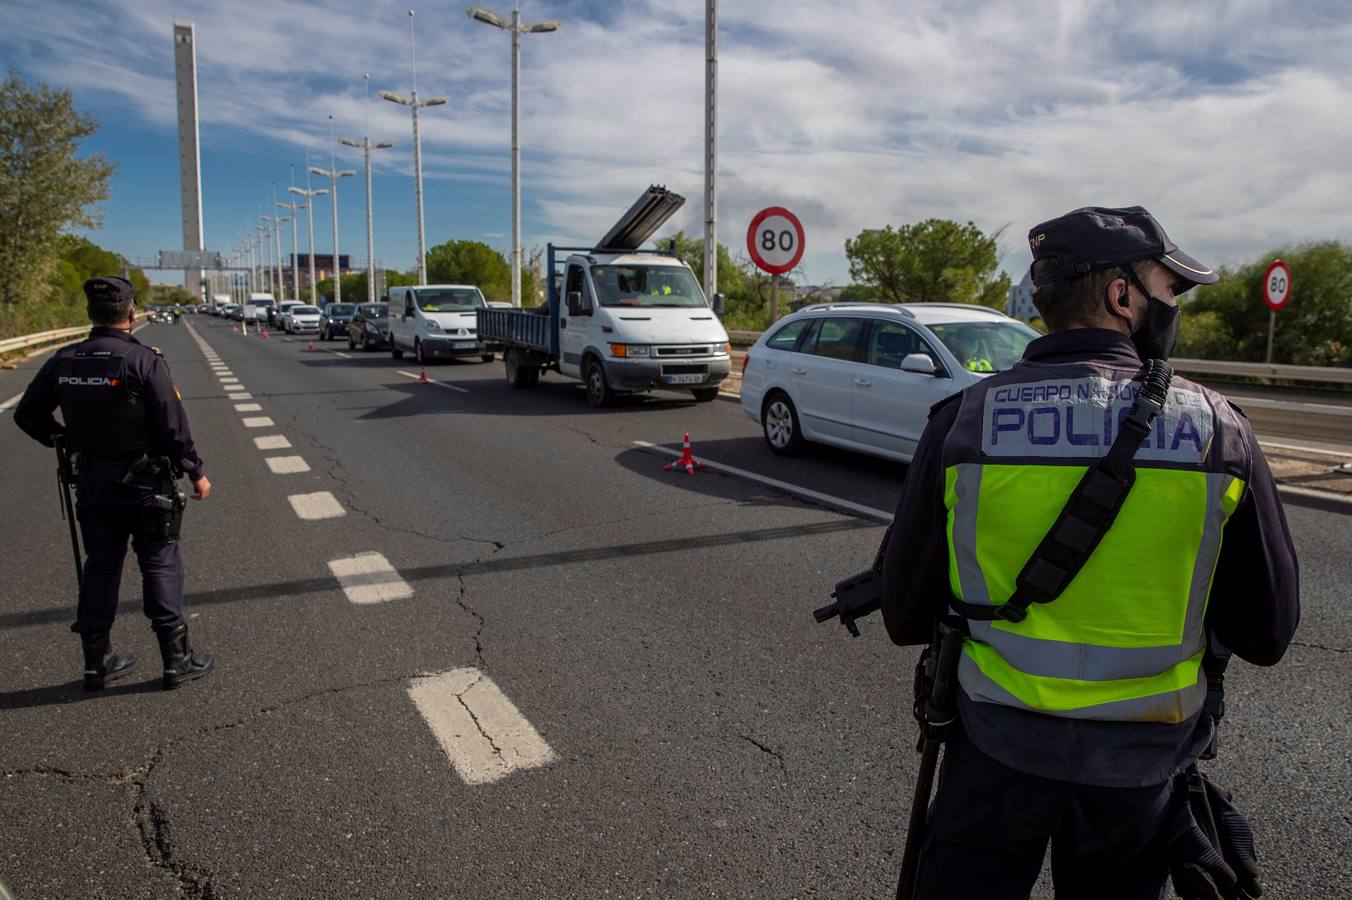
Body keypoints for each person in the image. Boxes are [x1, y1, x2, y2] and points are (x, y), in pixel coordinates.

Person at [879, 206, 1299, 899]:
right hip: (1139, 781)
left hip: (993, 759)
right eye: (1169, 291)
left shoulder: (964, 421)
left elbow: (902, 616)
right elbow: (1269, 632)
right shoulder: (1218, 431)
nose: (1172, 307)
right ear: (1120, 295)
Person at [14, 276, 215, 691]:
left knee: (100, 566)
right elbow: (173, 424)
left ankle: (96, 662)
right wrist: (195, 470)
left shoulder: (64, 361)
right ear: (132, 312)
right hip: (147, 486)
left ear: (89, 314)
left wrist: (67, 441)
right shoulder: (144, 361)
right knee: (159, 562)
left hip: (92, 483)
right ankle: (175, 661)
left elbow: (27, 415)